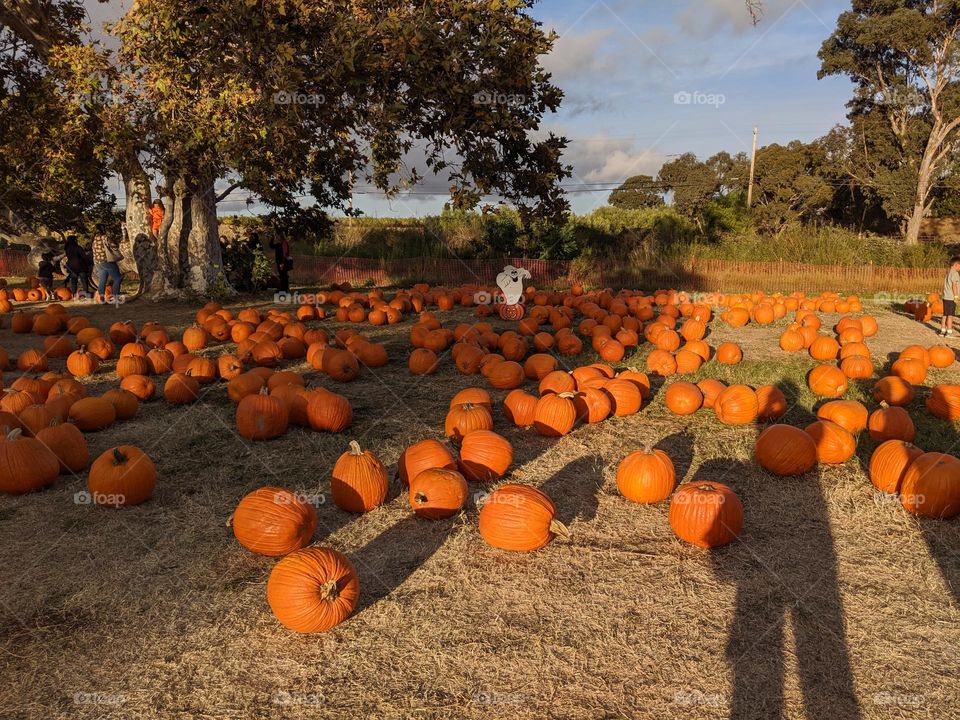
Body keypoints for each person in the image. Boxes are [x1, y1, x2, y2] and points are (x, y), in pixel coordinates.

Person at [91, 227, 124, 303]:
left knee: (102, 281)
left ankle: (101, 299)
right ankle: (115, 298)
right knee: (117, 278)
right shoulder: (105, 238)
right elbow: (114, 246)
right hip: (107, 261)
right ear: (103, 230)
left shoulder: (93, 240)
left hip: (98, 263)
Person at [940, 256, 960, 337]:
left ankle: (942, 330)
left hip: (946, 297)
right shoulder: (955, 273)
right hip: (951, 298)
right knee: (950, 316)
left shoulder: (949, 273)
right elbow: (954, 285)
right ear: (956, 265)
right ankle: (949, 331)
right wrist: (956, 296)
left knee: (945, 315)